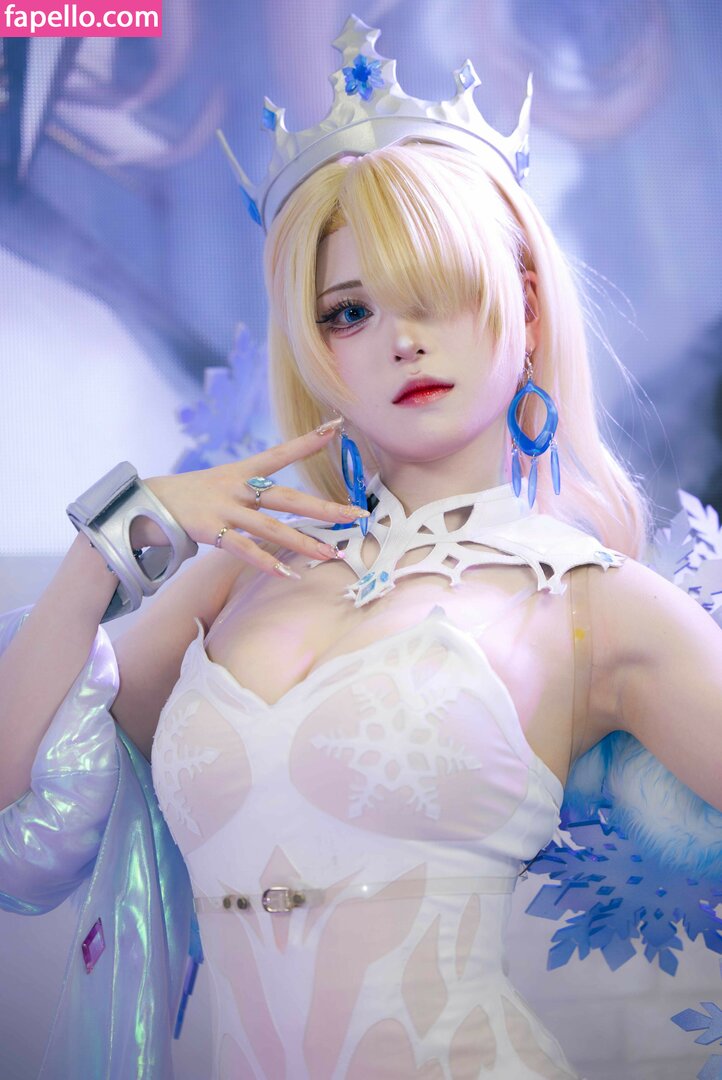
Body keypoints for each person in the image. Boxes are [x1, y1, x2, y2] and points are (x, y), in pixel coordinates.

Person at [1, 15, 721, 1080]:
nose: (401, 339)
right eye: (348, 312)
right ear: (311, 343)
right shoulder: (240, 576)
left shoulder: (591, 601)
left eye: (440, 287)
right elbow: (13, 777)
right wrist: (124, 529)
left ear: (524, 304)